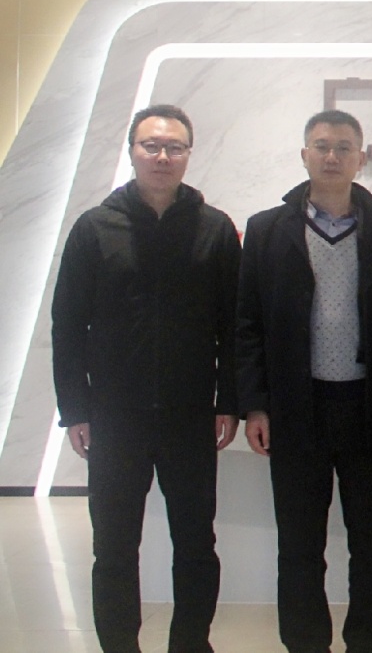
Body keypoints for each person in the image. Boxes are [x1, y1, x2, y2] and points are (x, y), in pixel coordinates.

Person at [51, 104, 240, 653]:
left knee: (196, 544)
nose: (162, 157)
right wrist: (75, 409)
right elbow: (68, 325)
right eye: (151, 146)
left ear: (188, 155)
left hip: (190, 414)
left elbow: (232, 325)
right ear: (132, 152)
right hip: (115, 417)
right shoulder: (94, 228)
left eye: (174, 147)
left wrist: (227, 400)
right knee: (113, 547)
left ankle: (190, 643)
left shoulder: (214, 229)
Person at [237, 109, 372, 653]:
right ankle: (305, 642)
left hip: (368, 410)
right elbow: (247, 324)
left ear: (361, 157)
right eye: (322, 146)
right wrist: (256, 405)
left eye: (343, 147)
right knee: (300, 544)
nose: (332, 156)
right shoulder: (267, 230)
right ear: (304, 155)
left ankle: (368, 642)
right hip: (296, 408)